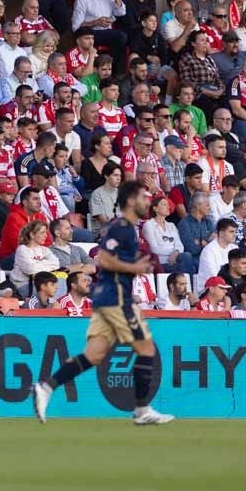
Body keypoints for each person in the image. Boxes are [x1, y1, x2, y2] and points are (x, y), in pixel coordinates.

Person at [32, 181, 174, 425]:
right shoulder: (122, 228)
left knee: (94, 355)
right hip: (116, 299)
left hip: (106, 299)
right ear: (130, 200)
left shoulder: (126, 228)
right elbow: (104, 259)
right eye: (143, 197)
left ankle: (46, 386)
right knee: (146, 350)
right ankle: (142, 410)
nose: (147, 201)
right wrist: (134, 267)